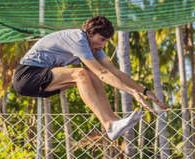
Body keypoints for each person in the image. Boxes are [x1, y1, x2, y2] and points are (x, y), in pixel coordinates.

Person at [13, 16, 167, 140]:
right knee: (80, 73)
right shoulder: (78, 39)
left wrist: (144, 90)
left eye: (107, 41)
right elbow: (103, 73)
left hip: (43, 76)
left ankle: (114, 123)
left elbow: (114, 72)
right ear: (90, 33)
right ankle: (109, 123)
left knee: (91, 76)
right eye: (102, 40)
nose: (103, 46)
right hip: (26, 76)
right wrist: (132, 93)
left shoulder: (94, 47)